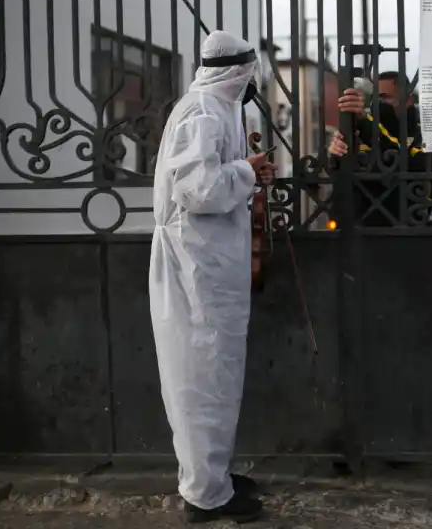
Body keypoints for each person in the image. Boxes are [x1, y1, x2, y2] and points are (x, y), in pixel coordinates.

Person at [149, 30, 275, 524]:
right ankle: (204, 495)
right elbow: (198, 190)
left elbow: (218, 177)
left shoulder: (222, 109)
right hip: (194, 268)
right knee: (200, 374)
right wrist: (247, 170)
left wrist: (247, 171)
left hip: (211, 265)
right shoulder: (201, 111)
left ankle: (211, 475)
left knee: (217, 371)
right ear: (238, 72)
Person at [329, 71, 427, 226]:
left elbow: (407, 165)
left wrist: (364, 122)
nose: (378, 103)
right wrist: (338, 152)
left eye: (384, 97)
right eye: (375, 97)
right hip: (361, 229)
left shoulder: (422, 131)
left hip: (406, 228)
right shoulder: (365, 127)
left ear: (407, 101)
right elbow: (344, 175)